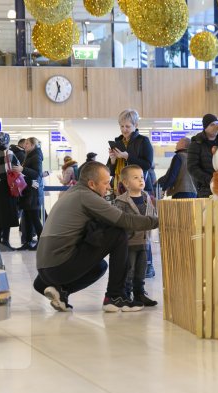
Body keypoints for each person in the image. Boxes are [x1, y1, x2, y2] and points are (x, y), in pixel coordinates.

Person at [32, 161, 158, 312]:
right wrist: (161, 221)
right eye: (106, 183)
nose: (109, 187)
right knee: (118, 233)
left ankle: (61, 291)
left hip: (44, 272)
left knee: (99, 267)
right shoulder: (86, 196)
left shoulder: (73, 192)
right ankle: (115, 297)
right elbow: (125, 220)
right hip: (59, 267)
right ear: (92, 184)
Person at [114, 165, 159, 306]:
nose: (141, 180)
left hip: (145, 241)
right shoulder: (121, 201)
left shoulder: (147, 198)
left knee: (141, 269)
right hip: (129, 242)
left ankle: (139, 293)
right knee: (130, 270)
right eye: (135, 178)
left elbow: (152, 216)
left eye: (142, 177)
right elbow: (120, 221)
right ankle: (126, 295)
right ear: (126, 183)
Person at [107, 109, 154, 196]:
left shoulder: (143, 141)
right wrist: (112, 160)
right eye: (122, 126)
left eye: (127, 126)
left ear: (135, 125)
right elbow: (111, 172)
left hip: (139, 188)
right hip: (119, 188)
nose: (124, 129)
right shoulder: (118, 142)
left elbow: (147, 165)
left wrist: (127, 157)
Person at [0, 132, 22, 251]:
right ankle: (6, 242)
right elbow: (17, 168)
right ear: (6, 141)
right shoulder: (9, 153)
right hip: (7, 186)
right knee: (7, 214)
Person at [187, 114, 218, 198]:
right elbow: (192, 167)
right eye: (212, 125)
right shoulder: (196, 144)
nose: (216, 127)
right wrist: (210, 180)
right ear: (205, 127)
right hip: (206, 190)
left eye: (217, 124)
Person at [17, 137, 44, 251]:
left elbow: (36, 174)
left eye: (27, 143)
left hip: (33, 193)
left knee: (34, 219)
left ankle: (42, 243)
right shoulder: (29, 155)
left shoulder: (36, 156)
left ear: (33, 145)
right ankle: (27, 242)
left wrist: (22, 169)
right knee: (27, 219)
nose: (25, 145)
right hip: (28, 192)